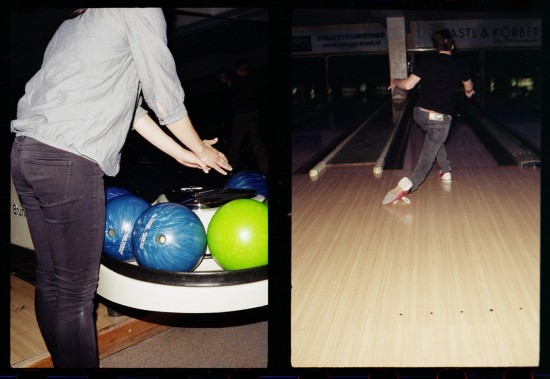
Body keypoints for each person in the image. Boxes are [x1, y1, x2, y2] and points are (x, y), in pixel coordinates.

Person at [10, 8, 231, 368]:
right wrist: (201, 147)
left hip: (27, 154)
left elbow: (133, 112)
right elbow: (165, 96)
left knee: (51, 278)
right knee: (76, 293)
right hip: (68, 160)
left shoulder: (75, 21)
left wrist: (183, 153)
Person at [383, 28, 475, 205]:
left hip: (420, 114)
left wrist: (395, 82)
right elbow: (468, 86)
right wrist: (469, 92)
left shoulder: (427, 61)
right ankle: (409, 184)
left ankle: (446, 170)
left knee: (434, 140)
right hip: (441, 119)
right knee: (427, 155)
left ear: (435, 47)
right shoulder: (460, 65)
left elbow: (408, 86)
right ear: (453, 46)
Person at [223, 59, 268, 174]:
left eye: (242, 69)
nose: (241, 71)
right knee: (255, 141)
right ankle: (264, 168)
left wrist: (228, 83)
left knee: (237, 142)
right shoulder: (250, 78)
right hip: (252, 113)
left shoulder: (236, 79)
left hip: (243, 114)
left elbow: (231, 91)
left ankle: (229, 169)